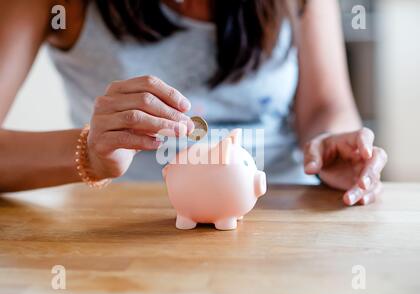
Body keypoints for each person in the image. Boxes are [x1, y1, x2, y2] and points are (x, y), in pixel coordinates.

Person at [0, 0, 387, 205]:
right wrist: (88, 153)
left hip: (284, 206)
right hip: (125, 226)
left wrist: (331, 144)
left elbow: (325, 107)